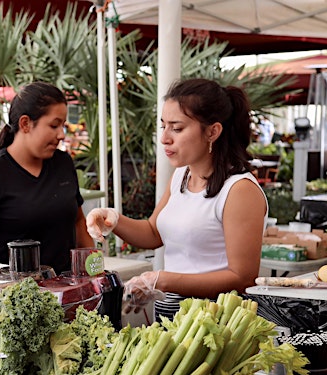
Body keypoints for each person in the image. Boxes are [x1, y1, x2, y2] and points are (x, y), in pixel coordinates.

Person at [86, 78, 267, 320]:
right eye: (163, 126)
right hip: (172, 315)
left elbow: (242, 277)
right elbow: (153, 232)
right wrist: (114, 220)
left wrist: (165, 280)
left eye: (177, 128)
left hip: (217, 321)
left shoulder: (239, 190)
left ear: (212, 131)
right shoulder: (181, 175)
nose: (164, 138)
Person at [0, 81, 94, 275]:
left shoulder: (63, 163)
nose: (61, 135)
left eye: (63, 126)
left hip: (64, 291)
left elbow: (78, 223)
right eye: (54, 125)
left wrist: (94, 276)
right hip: (12, 297)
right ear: (25, 124)